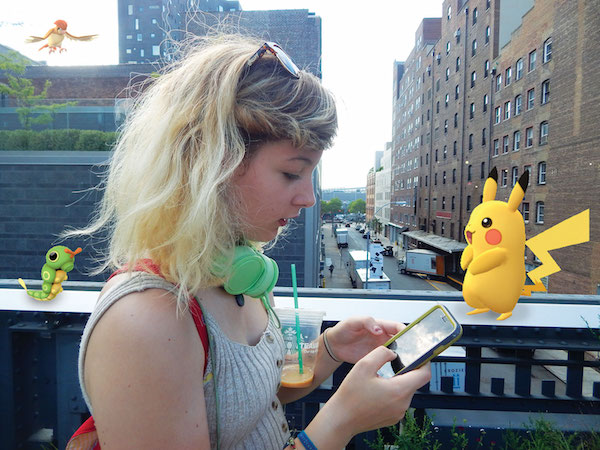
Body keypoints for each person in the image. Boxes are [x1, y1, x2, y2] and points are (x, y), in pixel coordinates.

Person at [66, 34, 430, 450]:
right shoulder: (147, 319)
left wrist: (329, 348)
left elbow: (255, 398)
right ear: (212, 164)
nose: (309, 198)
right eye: (293, 173)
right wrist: (340, 422)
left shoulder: (245, 271)